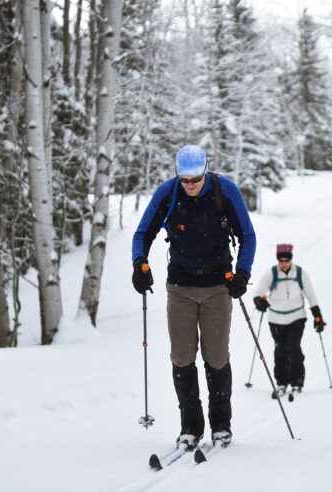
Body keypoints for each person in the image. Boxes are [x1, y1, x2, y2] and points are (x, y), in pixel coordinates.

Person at [131, 145, 256, 450]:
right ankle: (190, 427)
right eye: (184, 180)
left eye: (195, 179)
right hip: (180, 287)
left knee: (215, 356)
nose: (190, 185)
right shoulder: (168, 193)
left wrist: (242, 273)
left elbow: (247, 236)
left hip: (217, 287)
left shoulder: (224, 191)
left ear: (204, 171)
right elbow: (142, 234)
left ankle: (221, 426)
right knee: (183, 357)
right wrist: (139, 263)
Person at [253, 243, 325, 399]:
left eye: (286, 260)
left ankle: (297, 382)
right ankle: (281, 383)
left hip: (296, 317)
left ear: (291, 260)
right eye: (281, 260)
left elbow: (311, 295)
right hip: (276, 319)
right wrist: (259, 301)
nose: (284, 263)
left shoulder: (299, 273)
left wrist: (317, 315)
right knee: (280, 350)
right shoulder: (272, 273)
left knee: (293, 348)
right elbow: (258, 292)